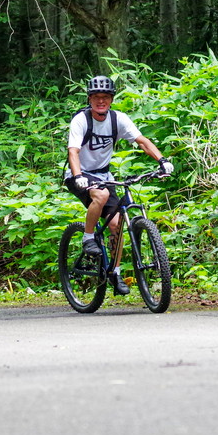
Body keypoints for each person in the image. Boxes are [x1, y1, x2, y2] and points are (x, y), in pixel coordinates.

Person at [63, 75, 172, 295]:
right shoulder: (81, 120)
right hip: (79, 175)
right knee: (101, 196)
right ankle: (88, 237)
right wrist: (78, 176)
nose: (100, 101)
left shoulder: (118, 119)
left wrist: (162, 161)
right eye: (96, 97)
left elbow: (142, 141)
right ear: (90, 99)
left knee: (116, 225)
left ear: (111, 99)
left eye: (105, 97)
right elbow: (73, 151)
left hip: (104, 175)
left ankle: (115, 272)